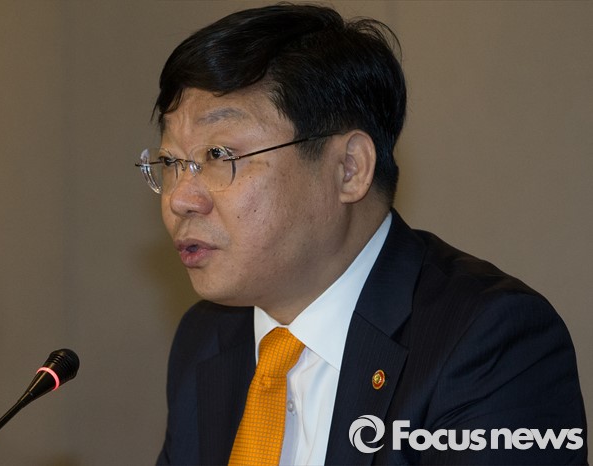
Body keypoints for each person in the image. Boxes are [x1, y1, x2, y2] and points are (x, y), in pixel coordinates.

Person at [136, 3, 588, 465]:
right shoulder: (207, 336)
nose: (180, 198)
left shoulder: (489, 343)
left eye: (218, 155)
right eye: (171, 162)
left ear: (349, 168)